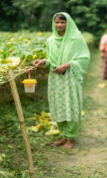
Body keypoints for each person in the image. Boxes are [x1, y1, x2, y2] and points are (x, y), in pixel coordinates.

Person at [33, 12, 90, 149]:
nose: (59, 25)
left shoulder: (76, 39)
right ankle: (63, 136)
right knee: (59, 105)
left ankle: (71, 137)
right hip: (55, 78)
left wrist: (67, 65)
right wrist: (43, 62)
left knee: (71, 105)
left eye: (62, 22)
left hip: (70, 77)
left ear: (68, 23)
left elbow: (84, 58)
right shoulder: (51, 40)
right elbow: (52, 60)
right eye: (56, 22)